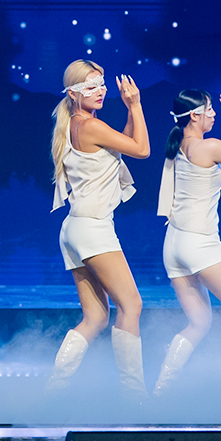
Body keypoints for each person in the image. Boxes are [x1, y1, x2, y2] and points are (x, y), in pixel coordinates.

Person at [46, 60, 150, 394]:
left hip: (75, 228)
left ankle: (54, 391)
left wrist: (131, 110)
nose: (101, 91)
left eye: (102, 84)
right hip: (92, 228)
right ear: (73, 93)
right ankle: (134, 395)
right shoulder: (90, 126)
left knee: (96, 317)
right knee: (131, 305)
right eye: (91, 86)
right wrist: (136, 105)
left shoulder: (74, 125)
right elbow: (142, 149)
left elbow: (126, 142)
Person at [153, 90, 221, 394]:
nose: (214, 114)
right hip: (199, 243)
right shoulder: (208, 146)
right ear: (194, 115)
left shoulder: (180, 146)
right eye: (209, 109)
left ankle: (161, 391)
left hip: (174, 245)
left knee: (199, 323)